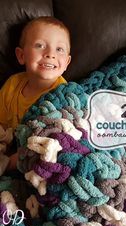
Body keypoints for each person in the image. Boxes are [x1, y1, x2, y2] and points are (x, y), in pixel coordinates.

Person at [0, 16, 72, 170]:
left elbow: (54, 140)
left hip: (39, 151)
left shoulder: (63, 94)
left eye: (59, 49)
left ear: (66, 62)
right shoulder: (13, 84)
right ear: (21, 55)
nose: (50, 54)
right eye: (39, 45)